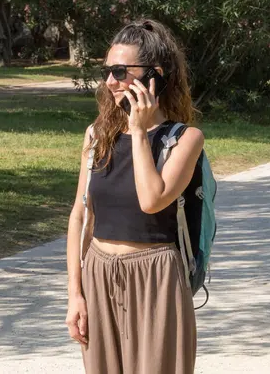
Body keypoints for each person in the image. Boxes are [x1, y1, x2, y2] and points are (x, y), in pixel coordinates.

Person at [65, 19, 203, 374]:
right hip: (98, 273)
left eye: (121, 71)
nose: (111, 81)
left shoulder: (185, 139)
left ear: (153, 76)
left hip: (156, 277)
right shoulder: (97, 135)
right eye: (107, 71)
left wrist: (139, 132)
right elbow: (81, 216)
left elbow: (152, 200)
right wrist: (75, 295)